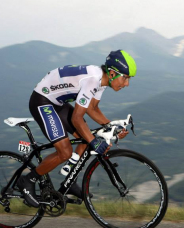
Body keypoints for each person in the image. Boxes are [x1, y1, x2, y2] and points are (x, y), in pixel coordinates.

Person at [17, 50, 137, 207]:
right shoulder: (93, 80)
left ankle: (70, 182)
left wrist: (111, 126)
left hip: (58, 103)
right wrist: (94, 141)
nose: (126, 83)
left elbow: (92, 108)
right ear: (113, 73)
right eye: (125, 78)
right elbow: (77, 118)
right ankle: (27, 180)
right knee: (66, 151)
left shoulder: (102, 81)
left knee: (86, 138)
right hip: (42, 101)